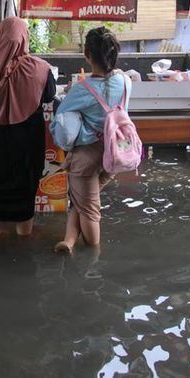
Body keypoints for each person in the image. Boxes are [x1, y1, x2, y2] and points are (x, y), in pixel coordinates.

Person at [50, 27, 129, 254]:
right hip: (116, 152)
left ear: (87, 54)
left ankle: (91, 263)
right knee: (84, 201)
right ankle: (69, 240)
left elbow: (60, 123)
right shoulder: (125, 82)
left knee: (90, 210)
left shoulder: (81, 90)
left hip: (88, 157)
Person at [0, 17, 56, 236]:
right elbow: (48, 96)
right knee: (26, 188)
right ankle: (23, 241)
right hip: (28, 139)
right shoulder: (41, 68)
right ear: (24, 37)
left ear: (1, 36)